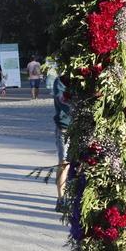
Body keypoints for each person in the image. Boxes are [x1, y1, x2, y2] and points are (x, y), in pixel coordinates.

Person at [52, 77, 72, 212]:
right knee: (64, 163)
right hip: (65, 127)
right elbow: (61, 100)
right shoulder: (60, 81)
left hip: (82, 127)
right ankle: (61, 199)